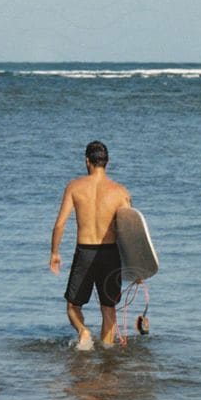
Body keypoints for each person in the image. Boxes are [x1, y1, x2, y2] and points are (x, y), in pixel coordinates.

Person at [49, 141, 131, 351]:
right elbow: (131, 233)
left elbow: (59, 225)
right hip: (110, 254)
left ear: (87, 161)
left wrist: (54, 253)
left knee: (72, 306)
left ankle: (83, 332)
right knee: (109, 309)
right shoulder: (120, 192)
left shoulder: (75, 187)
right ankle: (107, 357)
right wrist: (138, 266)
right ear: (107, 162)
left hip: (84, 252)